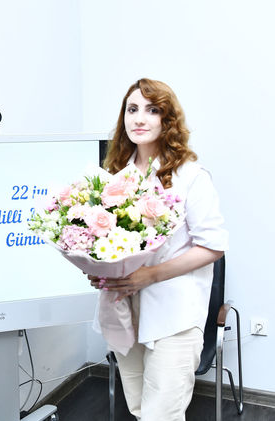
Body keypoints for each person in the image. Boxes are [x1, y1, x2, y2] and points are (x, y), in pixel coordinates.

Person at [88, 78, 228, 420]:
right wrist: (99, 269)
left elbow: (213, 246)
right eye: (132, 109)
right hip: (123, 308)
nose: (139, 118)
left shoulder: (191, 176)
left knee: (161, 414)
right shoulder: (114, 177)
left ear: (168, 120)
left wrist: (150, 275)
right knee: (139, 408)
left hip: (174, 313)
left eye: (152, 110)